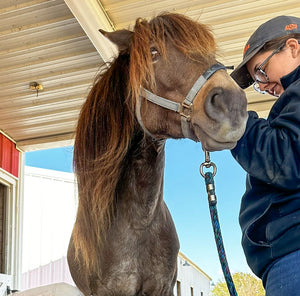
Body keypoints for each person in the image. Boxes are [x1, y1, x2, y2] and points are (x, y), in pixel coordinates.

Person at [230, 15, 300, 295]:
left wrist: (232, 119)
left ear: (294, 48)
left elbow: (287, 160)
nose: (263, 85)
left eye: (261, 71)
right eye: (256, 82)